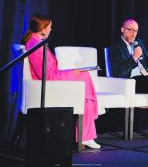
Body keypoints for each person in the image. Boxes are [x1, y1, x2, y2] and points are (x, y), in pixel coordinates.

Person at [21, 14, 101, 149]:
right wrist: (71, 73)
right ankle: (85, 135)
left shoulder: (36, 42)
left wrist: (72, 72)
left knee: (84, 79)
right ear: (42, 29)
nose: (51, 30)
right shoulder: (36, 45)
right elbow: (47, 75)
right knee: (84, 81)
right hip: (47, 87)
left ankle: (86, 135)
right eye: (50, 27)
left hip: (50, 84)